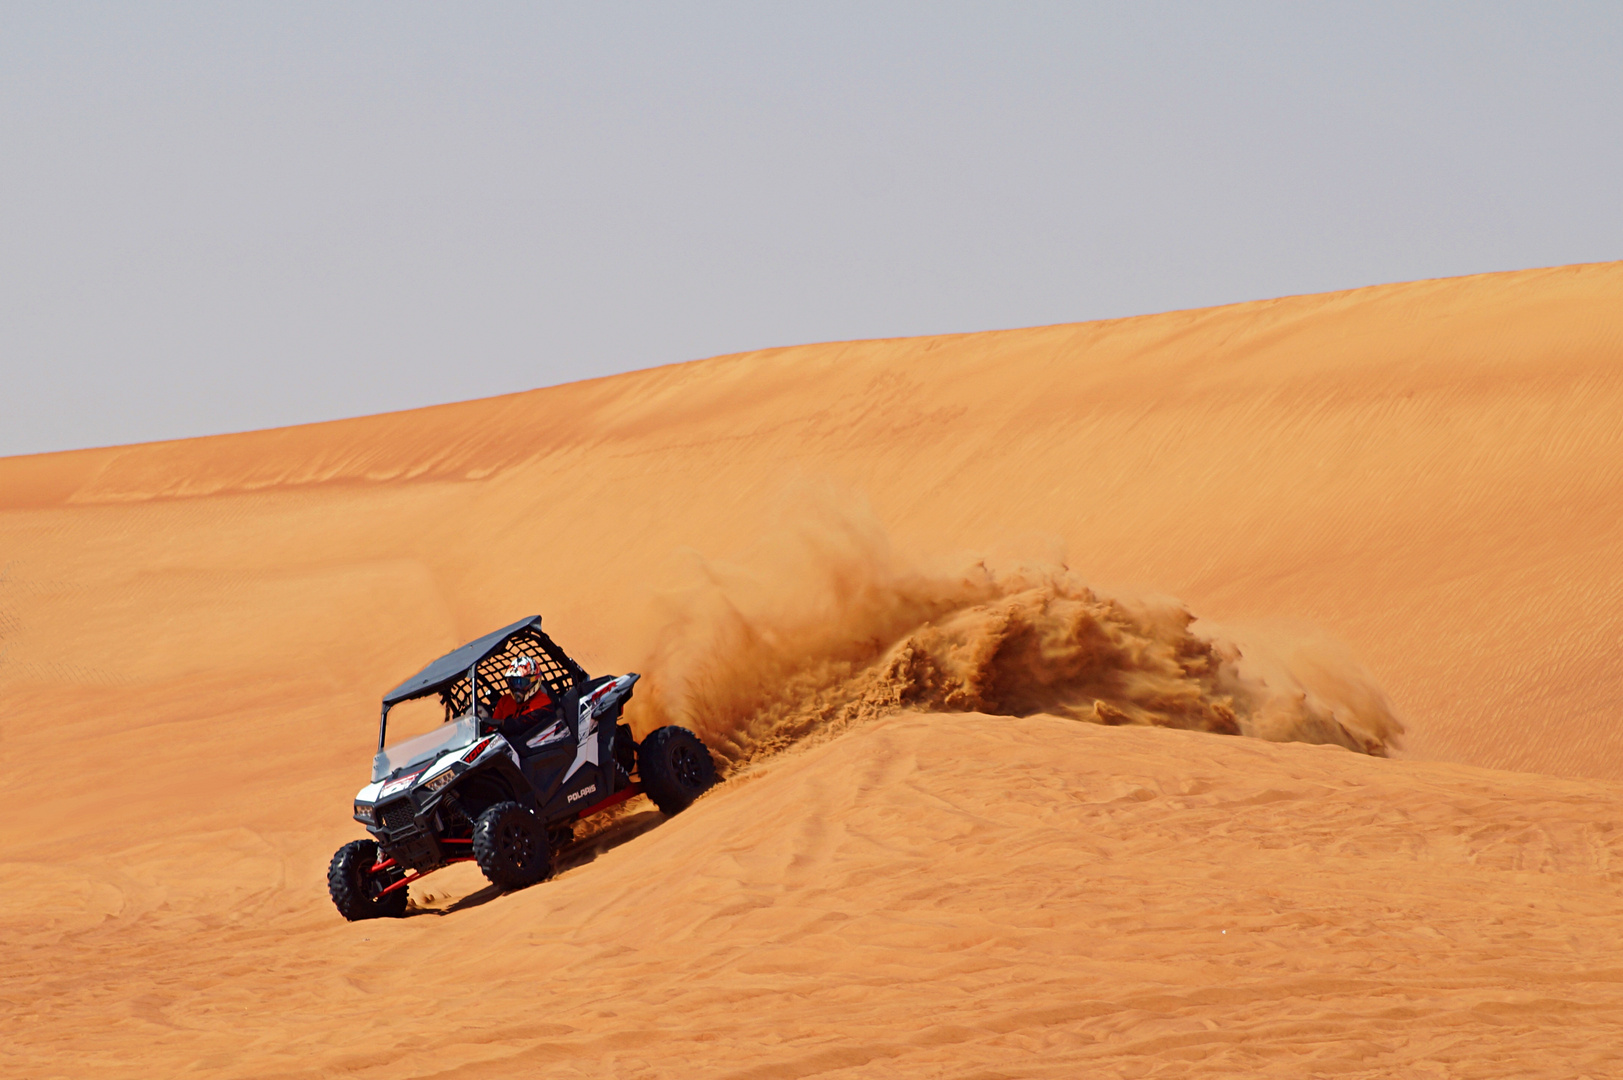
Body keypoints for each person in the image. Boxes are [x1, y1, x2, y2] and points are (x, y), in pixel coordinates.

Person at [490, 655, 554, 723]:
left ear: (534, 680)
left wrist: (505, 724)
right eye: (514, 682)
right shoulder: (505, 701)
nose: (517, 687)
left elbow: (528, 722)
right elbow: (492, 728)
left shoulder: (543, 701)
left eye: (522, 682)